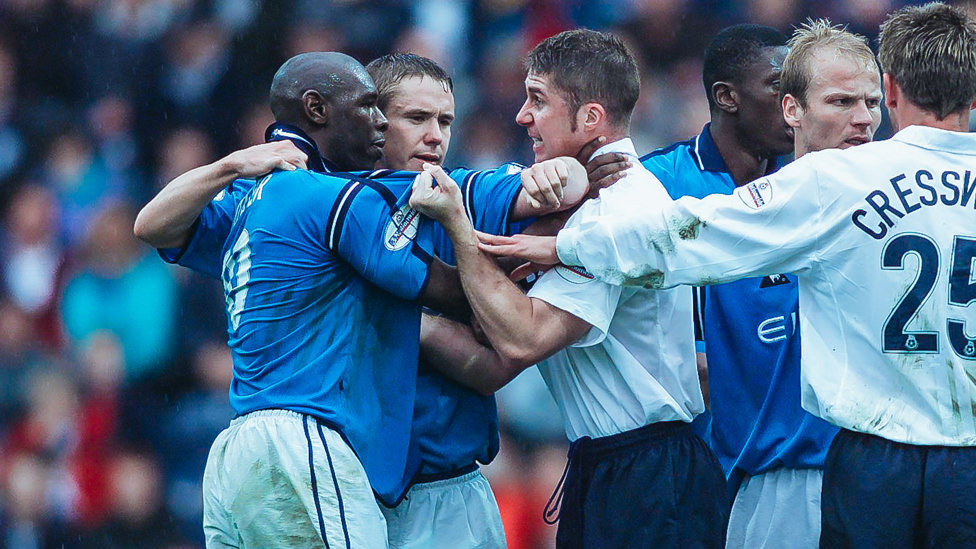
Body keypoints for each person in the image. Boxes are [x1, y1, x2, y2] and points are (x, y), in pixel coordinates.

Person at [480, 3, 976, 546]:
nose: (861, 117)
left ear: (894, 90)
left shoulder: (840, 182)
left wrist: (568, 245)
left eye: (870, 102)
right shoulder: (682, 177)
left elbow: (685, 236)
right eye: (841, 101)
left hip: (867, 459)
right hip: (806, 465)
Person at [135, 51, 589, 548]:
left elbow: (564, 184)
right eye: (414, 118)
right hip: (337, 473)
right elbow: (154, 225)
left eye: (445, 120)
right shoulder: (319, 199)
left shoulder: (452, 191)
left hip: (442, 484)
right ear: (369, 119)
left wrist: (562, 172)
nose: (435, 135)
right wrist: (230, 165)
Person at [411, 29, 728, 548]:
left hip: (648, 477)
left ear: (590, 119)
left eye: (538, 99)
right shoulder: (587, 203)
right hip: (617, 466)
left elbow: (522, 338)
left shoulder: (615, 210)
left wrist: (456, 228)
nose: (522, 115)